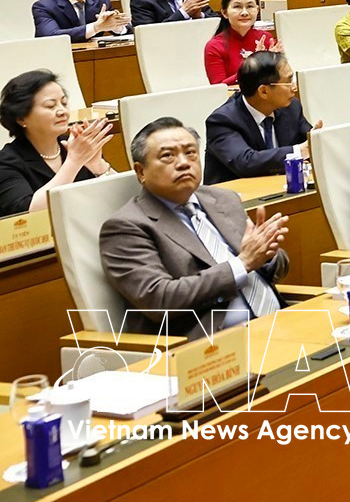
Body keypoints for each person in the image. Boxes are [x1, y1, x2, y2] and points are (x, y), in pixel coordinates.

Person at [99, 117, 289, 338]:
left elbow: (276, 268)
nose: (183, 163)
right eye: (167, 156)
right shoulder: (126, 226)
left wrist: (266, 255)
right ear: (141, 172)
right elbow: (159, 300)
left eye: (190, 153)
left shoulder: (223, 199)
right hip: (212, 344)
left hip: (276, 321)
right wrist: (242, 263)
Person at [0, 71, 115, 214]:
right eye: (50, 106)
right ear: (21, 118)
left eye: (64, 103)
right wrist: (74, 162)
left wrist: (99, 167)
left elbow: (123, 197)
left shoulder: (75, 146)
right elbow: (26, 214)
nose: (62, 111)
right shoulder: (6, 163)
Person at [203, 51, 313, 184]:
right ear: (263, 91)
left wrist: (318, 139)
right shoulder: (222, 121)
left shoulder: (291, 107)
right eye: (288, 82)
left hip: (281, 190)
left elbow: (310, 143)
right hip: (238, 198)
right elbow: (245, 162)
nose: (294, 88)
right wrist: (298, 151)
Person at [203, 0, 277, 87]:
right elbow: (219, 88)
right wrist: (251, 68)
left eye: (250, 6)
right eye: (237, 7)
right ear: (224, 13)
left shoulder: (266, 38)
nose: (244, 13)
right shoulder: (214, 46)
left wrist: (278, 64)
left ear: (258, 9)